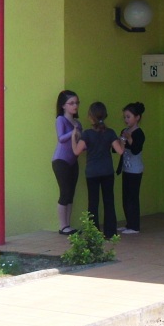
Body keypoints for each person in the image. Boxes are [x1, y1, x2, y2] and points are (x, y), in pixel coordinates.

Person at [71, 101, 124, 239]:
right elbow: (120, 151)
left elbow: (77, 151)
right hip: (107, 171)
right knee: (109, 201)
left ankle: (93, 233)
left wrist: (73, 138)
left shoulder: (87, 134)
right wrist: (122, 140)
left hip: (92, 173)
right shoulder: (110, 133)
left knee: (93, 203)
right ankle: (110, 233)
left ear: (90, 117)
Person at [51, 90, 81, 235]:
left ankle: (68, 224)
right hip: (61, 160)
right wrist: (74, 132)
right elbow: (61, 138)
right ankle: (62, 225)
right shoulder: (61, 120)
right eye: (71, 103)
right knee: (64, 192)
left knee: (71, 193)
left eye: (76, 103)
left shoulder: (77, 123)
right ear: (63, 106)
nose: (75, 106)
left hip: (73, 161)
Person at [117, 101, 146, 234]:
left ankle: (135, 226)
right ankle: (129, 223)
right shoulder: (124, 131)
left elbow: (135, 149)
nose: (126, 119)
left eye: (128, 116)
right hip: (126, 169)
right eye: (125, 117)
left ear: (137, 117)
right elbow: (118, 149)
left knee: (133, 197)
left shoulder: (139, 133)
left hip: (135, 169)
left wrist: (129, 139)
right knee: (125, 197)